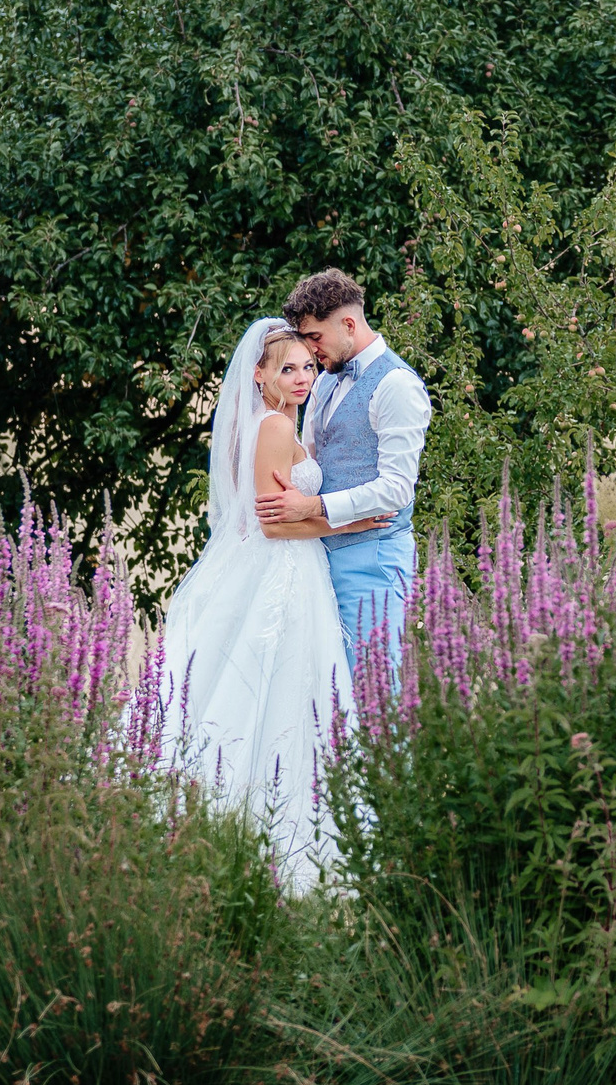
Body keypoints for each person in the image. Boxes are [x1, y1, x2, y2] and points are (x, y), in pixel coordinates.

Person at [159, 316, 388, 892]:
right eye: (287, 369)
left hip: (284, 568)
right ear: (259, 375)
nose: (302, 377)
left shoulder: (274, 422)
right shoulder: (277, 427)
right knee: (284, 685)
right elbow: (273, 527)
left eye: (308, 367)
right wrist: (351, 521)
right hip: (282, 569)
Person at [260, 269, 428, 667]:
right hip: (315, 562)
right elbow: (313, 463)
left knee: (374, 685)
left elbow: (396, 489)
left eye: (315, 337)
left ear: (349, 325)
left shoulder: (397, 385)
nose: (311, 350)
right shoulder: (323, 383)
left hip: (374, 559)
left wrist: (313, 507)